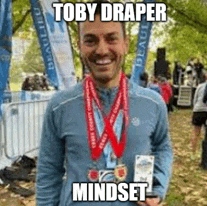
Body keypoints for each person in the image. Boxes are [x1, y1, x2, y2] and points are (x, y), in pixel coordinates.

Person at [36, 1, 173, 205]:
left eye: (111, 39)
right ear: (79, 45)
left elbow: (163, 146)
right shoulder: (60, 106)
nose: (101, 50)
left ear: (125, 43)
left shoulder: (153, 103)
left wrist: (157, 186)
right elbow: (48, 173)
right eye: (90, 40)